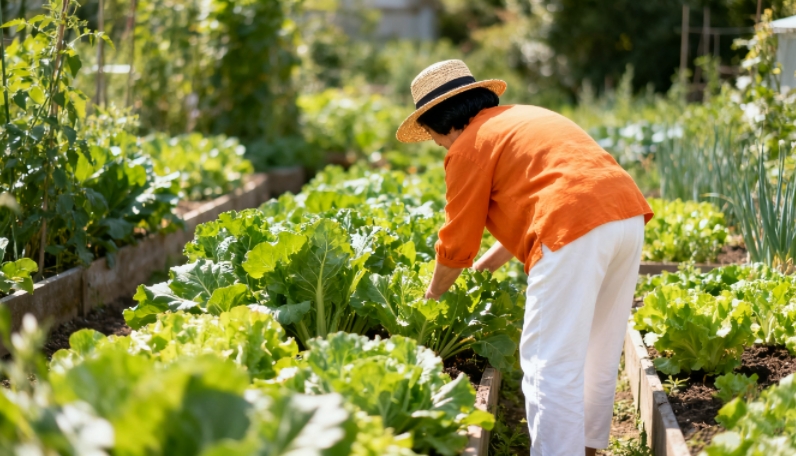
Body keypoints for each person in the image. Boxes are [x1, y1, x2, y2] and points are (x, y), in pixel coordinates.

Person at [395, 60, 653, 456]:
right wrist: (484, 268)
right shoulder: (521, 118)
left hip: (572, 227)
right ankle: (586, 449)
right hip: (625, 215)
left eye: (431, 134)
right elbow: (542, 202)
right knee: (598, 349)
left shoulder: (468, 146)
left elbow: (457, 240)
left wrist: (431, 299)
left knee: (546, 363)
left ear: (440, 122)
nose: (436, 144)